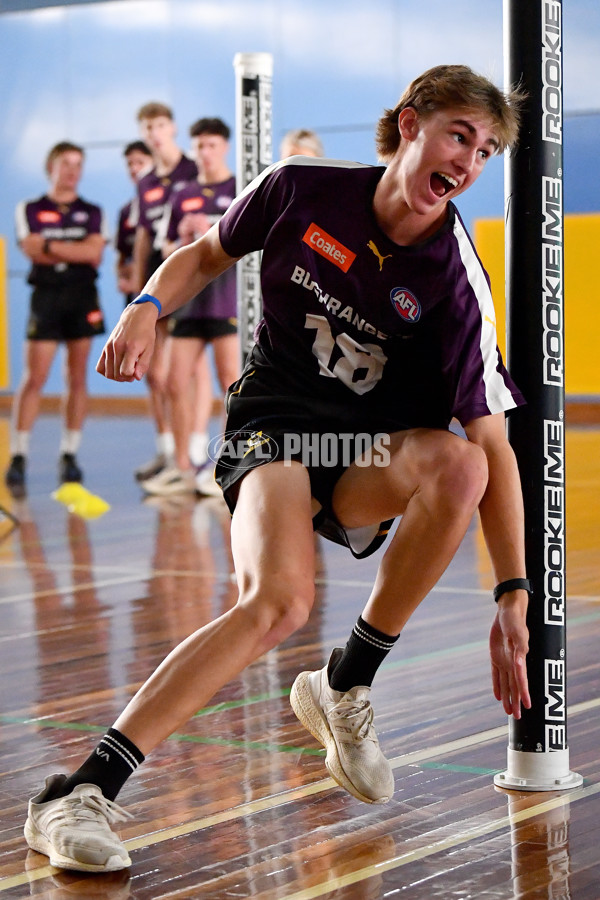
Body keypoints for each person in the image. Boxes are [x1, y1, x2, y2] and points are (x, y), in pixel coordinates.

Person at [23, 65, 532, 874]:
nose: (470, 161)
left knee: (462, 467)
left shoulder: (454, 277)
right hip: (277, 429)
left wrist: (513, 594)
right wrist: (146, 306)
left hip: (361, 454)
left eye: (487, 150)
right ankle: (79, 794)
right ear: (410, 124)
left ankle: (347, 682)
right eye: (460, 136)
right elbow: (201, 253)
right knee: (279, 602)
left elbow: (496, 444)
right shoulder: (301, 187)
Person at [141, 117, 239, 497]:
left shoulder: (239, 188)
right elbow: (164, 250)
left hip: (226, 302)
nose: (205, 152)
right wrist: (183, 238)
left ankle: (226, 468)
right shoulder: (182, 193)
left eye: (212, 145)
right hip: (189, 305)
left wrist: (212, 235)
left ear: (225, 147)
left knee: (232, 385)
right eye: (199, 145)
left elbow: (252, 244)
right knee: (172, 381)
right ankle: (182, 468)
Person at [5, 142, 108, 495]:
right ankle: (18, 454)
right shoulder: (30, 208)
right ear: (51, 167)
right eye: (66, 163)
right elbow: (29, 247)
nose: (72, 171)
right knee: (35, 377)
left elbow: (95, 252)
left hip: (81, 297)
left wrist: (49, 247)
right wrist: (73, 251)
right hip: (45, 297)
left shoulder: (93, 211)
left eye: (78, 164)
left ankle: (69, 453)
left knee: (77, 377)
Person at [130, 102, 198, 482]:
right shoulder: (146, 182)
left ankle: (195, 452)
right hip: (156, 288)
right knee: (154, 374)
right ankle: (168, 450)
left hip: (190, 284)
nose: (154, 133)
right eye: (147, 127)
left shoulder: (192, 171)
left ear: (172, 127)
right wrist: (140, 293)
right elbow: (143, 239)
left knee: (187, 373)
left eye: (159, 125)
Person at [114, 140, 153, 305]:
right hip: (137, 296)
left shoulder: (169, 202)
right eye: (130, 163)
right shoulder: (126, 211)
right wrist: (124, 275)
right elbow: (121, 255)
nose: (134, 169)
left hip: (164, 291)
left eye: (140, 162)